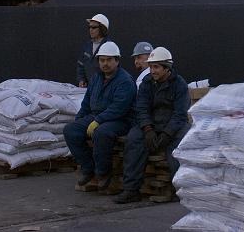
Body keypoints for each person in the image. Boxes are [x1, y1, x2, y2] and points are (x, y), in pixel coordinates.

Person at [114, 47, 189, 204]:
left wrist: (167, 134)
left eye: (156, 67)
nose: (152, 70)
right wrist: (147, 129)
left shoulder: (180, 85)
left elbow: (180, 114)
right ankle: (131, 190)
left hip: (173, 126)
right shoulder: (146, 83)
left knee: (179, 149)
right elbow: (141, 109)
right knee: (133, 140)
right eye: (151, 66)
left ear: (166, 68)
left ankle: (178, 189)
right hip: (152, 125)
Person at [64, 41, 136, 190]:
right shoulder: (96, 78)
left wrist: (98, 120)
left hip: (120, 120)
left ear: (117, 60)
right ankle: (88, 168)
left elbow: (119, 108)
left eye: (109, 60)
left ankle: (103, 173)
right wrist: (79, 120)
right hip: (97, 116)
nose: (105, 64)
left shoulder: (125, 81)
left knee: (101, 133)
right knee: (70, 130)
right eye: (102, 60)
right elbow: (86, 102)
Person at [77, 13, 110, 88]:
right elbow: (80, 65)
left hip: (104, 89)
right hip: (89, 89)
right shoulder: (87, 46)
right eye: (89, 27)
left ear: (102, 29)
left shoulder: (109, 47)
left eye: (94, 27)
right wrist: (81, 80)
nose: (90, 30)